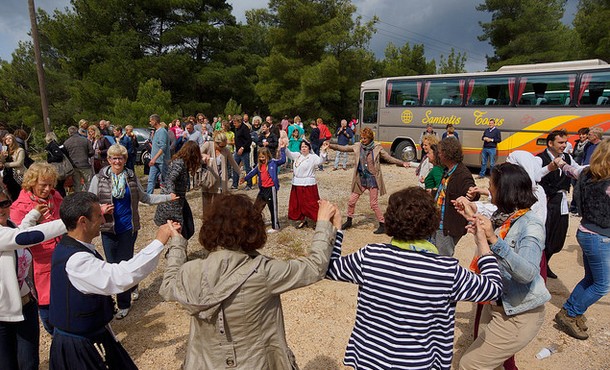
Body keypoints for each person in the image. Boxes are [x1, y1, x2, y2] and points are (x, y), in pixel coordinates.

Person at [326, 187, 502, 369]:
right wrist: (483, 240)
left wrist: (336, 229)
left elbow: (330, 268)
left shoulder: (370, 256)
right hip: (419, 363)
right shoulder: (446, 271)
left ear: (390, 220)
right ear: (432, 223)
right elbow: (493, 289)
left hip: (369, 361)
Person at [159, 194, 338, 370]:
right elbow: (315, 267)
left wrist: (178, 243)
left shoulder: (190, 271)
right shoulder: (263, 272)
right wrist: (322, 223)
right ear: (254, 230)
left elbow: (167, 287)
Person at [48, 192, 179, 370]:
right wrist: (159, 241)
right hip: (79, 347)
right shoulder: (76, 261)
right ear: (83, 222)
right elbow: (119, 276)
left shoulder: (70, 246)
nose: (103, 221)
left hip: (92, 335)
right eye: (98, 216)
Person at [455, 163, 550, 369]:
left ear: (505, 189)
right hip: (496, 305)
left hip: (518, 313)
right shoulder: (502, 218)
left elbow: (527, 273)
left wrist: (494, 239)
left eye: (491, 185)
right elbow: (490, 257)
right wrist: (472, 218)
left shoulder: (530, 224)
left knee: (468, 364)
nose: (488, 189)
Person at [89, 144, 177, 319]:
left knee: (123, 265)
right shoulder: (99, 178)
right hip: (108, 229)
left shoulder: (130, 176)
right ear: (108, 160)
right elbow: (89, 203)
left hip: (128, 229)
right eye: (114, 158)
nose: (117, 161)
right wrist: (100, 209)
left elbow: (146, 198)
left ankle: (123, 304)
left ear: (125, 160)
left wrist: (168, 197)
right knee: (112, 266)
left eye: (120, 158)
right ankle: (132, 287)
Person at [0, 188, 67, 370]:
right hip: (2, 315)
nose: (2, 209)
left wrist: (33, 213)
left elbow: (19, 231)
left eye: (5, 204)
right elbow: (24, 237)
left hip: (26, 306)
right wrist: (69, 222)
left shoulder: (10, 225)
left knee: (29, 363)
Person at [555, 139, 610, 340]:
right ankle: (571, 313)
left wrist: (559, 162)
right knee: (603, 285)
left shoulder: (587, 172)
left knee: (591, 278)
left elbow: (570, 170)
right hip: (600, 238)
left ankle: (570, 309)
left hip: (585, 232)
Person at [10, 162, 64, 334]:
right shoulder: (19, 207)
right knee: (46, 307)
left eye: (50, 184)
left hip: (61, 258)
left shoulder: (56, 198)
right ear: (32, 183)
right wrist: (34, 217)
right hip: (39, 264)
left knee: (64, 301)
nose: (48, 189)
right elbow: (18, 240)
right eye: (43, 185)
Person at [332, 127, 409, 234]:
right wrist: (331, 146)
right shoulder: (358, 146)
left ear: (370, 138)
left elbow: (388, 158)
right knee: (351, 201)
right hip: (361, 179)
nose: (362, 140)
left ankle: (383, 224)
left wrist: (401, 163)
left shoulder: (377, 148)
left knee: (373, 204)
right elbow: (344, 148)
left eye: (365, 138)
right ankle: (349, 221)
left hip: (373, 180)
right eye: (362, 138)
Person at [537, 129, 585, 279]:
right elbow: (535, 176)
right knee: (542, 235)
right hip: (544, 202)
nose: (564, 145)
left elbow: (578, 169)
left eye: (565, 142)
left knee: (557, 237)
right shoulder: (539, 158)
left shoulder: (568, 158)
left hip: (561, 202)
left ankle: (546, 263)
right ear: (550, 143)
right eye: (561, 142)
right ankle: (538, 267)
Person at [432, 137, 479, 256]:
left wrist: (473, 194)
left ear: (447, 154)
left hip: (448, 228)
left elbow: (473, 191)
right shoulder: (448, 170)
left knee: (442, 261)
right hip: (438, 225)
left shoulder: (462, 174)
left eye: (441, 152)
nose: (439, 154)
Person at [154, 141, 202, 240]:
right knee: (183, 231)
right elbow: (170, 179)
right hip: (172, 202)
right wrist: (172, 193)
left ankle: (176, 250)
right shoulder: (179, 163)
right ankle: (175, 252)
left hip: (179, 200)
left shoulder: (183, 162)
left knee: (188, 229)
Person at [242, 144, 287, 233]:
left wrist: (282, 150)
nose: (262, 159)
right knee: (256, 207)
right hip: (263, 189)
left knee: (272, 208)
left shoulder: (273, 162)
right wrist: (245, 178)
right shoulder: (259, 166)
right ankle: (255, 223)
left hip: (271, 189)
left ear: (267, 156)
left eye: (263, 157)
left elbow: (283, 160)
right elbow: (252, 173)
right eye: (260, 157)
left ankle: (276, 226)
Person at [286, 140, 329, 229]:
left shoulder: (312, 157)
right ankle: (303, 220)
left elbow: (321, 160)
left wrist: (323, 151)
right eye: (302, 147)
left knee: (311, 204)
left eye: (305, 147)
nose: (304, 149)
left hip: (308, 184)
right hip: (297, 184)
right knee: (299, 203)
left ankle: (318, 221)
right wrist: (283, 146)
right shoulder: (297, 156)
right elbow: (288, 153)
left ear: (309, 148)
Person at [200, 132, 241, 209]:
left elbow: (233, 163)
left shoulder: (226, 150)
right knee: (207, 205)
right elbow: (197, 154)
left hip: (221, 181)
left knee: (219, 205)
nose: (223, 148)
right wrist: (204, 156)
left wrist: (241, 174)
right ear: (215, 142)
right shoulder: (208, 145)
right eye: (221, 146)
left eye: (225, 146)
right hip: (209, 180)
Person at [63, 125, 94, 192]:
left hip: (74, 166)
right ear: (77, 131)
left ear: (69, 133)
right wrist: (86, 155)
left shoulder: (66, 143)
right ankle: (90, 198)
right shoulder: (85, 140)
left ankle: (79, 199)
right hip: (85, 164)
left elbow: (65, 156)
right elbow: (92, 152)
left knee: (77, 185)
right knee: (89, 183)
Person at [147, 113, 171, 194]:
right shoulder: (156, 132)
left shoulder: (162, 132)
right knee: (151, 179)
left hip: (162, 161)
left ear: (154, 121)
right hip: (155, 162)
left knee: (166, 179)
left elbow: (163, 147)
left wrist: (154, 158)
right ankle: (148, 196)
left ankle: (168, 195)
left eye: (151, 121)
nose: (150, 123)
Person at [1, 134, 27, 200]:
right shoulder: (5, 151)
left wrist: (6, 164)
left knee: (21, 193)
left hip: (18, 175)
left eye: (10, 138)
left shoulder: (20, 150)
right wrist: (3, 156)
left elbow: (19, 163)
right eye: (6, 139)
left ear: (14, 140)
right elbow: (2, 162)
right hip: (8, 176)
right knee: (13, 195)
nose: (8, 140)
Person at [231, 114, 253, 190]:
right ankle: (234, 184)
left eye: (235, 122)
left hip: (245, 151)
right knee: (235, 167)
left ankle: (249, 184)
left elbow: (249, 140)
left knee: (247, 168)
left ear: (239, 122)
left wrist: (242, 148)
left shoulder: (245, 128)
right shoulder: (236, 128)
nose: (234, 124)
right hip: (237, 151)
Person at [45, 132, 69, 197]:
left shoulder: (53, 146)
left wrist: (49, 160)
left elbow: (59, 156)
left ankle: (61, 200)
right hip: (62, 168)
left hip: (57, 169)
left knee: (58, 187)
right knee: (60, 186)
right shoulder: (59, 145)